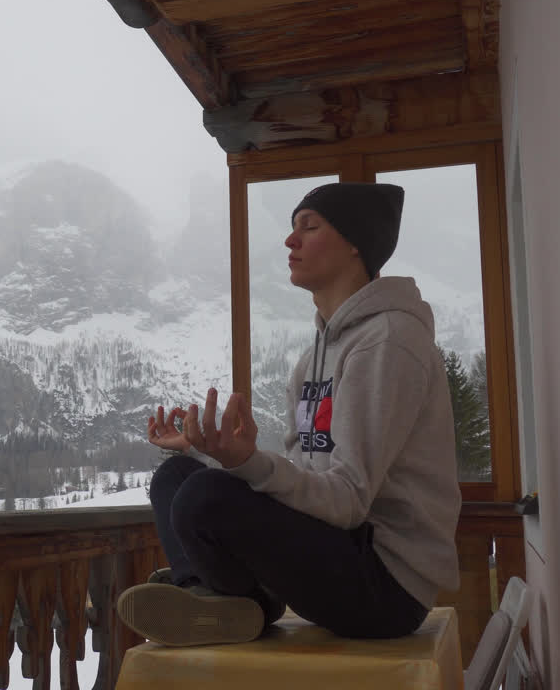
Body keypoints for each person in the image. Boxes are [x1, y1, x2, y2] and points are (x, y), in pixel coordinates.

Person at [116, 182, 461, 646]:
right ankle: (223, 600)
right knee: (177, 477)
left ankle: (214, 593)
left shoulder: (387, 343)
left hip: (385, 585)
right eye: (292, 227)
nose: (290, 240)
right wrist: (216, 454)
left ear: (356, 242)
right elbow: (306, 480)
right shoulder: (313, 358)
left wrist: (242, 466)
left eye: (309, 227)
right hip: (338, 548)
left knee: (203, 496)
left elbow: (349, 499)